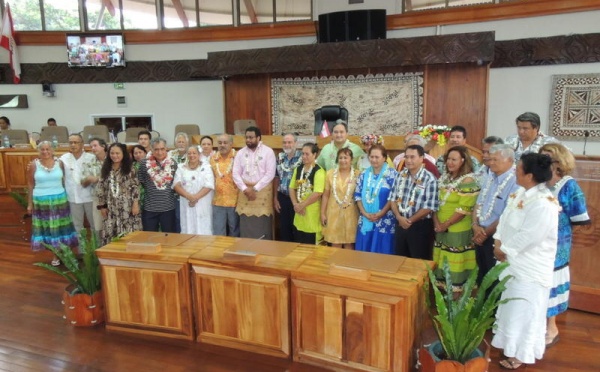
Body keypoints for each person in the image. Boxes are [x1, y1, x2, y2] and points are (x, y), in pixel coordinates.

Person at [492, 152, 560, 370]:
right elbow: (504, 218)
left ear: (529, 175)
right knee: (511, 307)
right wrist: (498, 241)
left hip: (529, 266)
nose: (515, 171)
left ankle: (521, 354)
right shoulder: (520, 192)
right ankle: (509, 346)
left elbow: (531, 236)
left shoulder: (544, 203)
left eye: (518, 168)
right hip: (510, 260)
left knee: (525, 310)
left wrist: (505, 250)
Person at [539, 143, 591, 347]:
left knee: (550, 287)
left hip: (555, 248)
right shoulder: (540, 183)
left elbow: (579, 220)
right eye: (542, 157)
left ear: (560, 161)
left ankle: (551, 328)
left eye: (549, 157)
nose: (545, 161)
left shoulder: (569, 185)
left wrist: (560, 238)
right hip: (536, 247)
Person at [432, 146, 480, 290]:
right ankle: (443, 299)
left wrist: (445, 224)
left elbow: (464, 209)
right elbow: (436, 202)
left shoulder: (468, 180)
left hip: (458, 229)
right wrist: (437, 223)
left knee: (454, 265)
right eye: (448, 159)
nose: (450, 163)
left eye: (454, 159)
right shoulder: (445, 177)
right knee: (442, 262)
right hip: (440, 227)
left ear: (463, 161)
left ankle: (457, 299)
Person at [471, 144, 519, 286]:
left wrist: (485, 233)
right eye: (490, 159)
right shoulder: (490, 176)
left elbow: (507, 214)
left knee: (494, 279)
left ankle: (493, 308)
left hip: (497, 236)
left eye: (495, 160)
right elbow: (478, 203)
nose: (490, 163)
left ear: (509, 160)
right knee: (482, 274)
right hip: (479, 233)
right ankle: (481, 306)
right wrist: (475, 226)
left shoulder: (515, 182)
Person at [26, 141, 78, 266]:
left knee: (62, 229)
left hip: (59, 200)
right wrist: (29, 204)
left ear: (53, 150)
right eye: (42, 149)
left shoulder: (60, 163)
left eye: (48, 149)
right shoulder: (33, 165)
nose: (45, 152)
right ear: (39, 151)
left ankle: (68, 254)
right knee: (49, 230)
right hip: (41, 201)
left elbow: (67, 179)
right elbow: (30, 184)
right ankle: (55, 255)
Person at [389, 144, 439, 259]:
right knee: (400, 260)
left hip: (420, 227)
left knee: (419, 261)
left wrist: (410, 221)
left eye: (412, 157)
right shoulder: (401, 175)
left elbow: (429, 206)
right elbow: (392, 199)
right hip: (400, 224)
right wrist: (399, 217)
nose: (409, 160)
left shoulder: (429, 178)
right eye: (406, 157)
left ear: (421, 158)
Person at [232, 126, 276, 239]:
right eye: (246, 137)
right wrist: (245, 189)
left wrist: (255, 189)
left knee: (261, 225)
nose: (248, 140)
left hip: (262, 192)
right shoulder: (240, 153)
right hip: (245, 192)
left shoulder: (268, 152)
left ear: (258, 138)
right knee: (246, 225)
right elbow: (235, 173)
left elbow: (270, 174)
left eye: (251, 137)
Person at [353, 144, 398, 254]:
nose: (373, 160)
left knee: (382, 254)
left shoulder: (392, 174)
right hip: (366, 218)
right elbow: (357, 196)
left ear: (384, 158)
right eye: (371, 157)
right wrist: (364, 213)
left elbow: (393, 197)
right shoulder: (363, 174)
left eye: (377, 157)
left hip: (385, 220)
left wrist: (381, 213)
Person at [97, 143, 142, 245]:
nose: (114, 155)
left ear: (123, 154)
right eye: (112, 153)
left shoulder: (130, 168)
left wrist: (135, 204)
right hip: (111, 208)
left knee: (129, 235)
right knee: (111, 234)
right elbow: (100, 188)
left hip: (128, 208)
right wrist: (102, 206)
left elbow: (135, 187)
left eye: (117, 153)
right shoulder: (105, 168)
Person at [321, 148, 360, 249]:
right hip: (333, 212)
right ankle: (334, 263)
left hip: (351, 212)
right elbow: (325, 195)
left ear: (351, 159)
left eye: (346, 158)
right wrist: (322, 213)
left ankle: (348, 264)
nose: (343, 160)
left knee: (349, 242)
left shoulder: (358, 174)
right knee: (335, 241)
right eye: (340, 158)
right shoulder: (330, 174)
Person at [60, 134, 96, 242]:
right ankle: (83, 252)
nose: (73, 145)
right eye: (70, 142)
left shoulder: (91, 158)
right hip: (73, 197)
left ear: (82, 144)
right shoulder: (64, 158)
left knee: (95, 225)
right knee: (77, 226)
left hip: (90, 197)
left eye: (76, 142)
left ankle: (97, 249)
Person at [137, 138, 178, 232]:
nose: (160, 152)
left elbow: (175, 184)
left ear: (166, 149)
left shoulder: (173, 163)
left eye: (162, 149)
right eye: (156, 149)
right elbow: (142, 182)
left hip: (168, 208)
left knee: (169, 237)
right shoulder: (144, 164)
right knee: (150, 238)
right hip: (150, 208)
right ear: (151, 149)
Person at [289, 143, 325, 244]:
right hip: (299, 215)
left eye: (307, 154)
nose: (304, 156)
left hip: (312, 216)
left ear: (314, 155)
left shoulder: (319, 171)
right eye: (302, 154)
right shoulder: (298, 169)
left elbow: (317, 193)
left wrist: (302, 205)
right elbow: (292, 188)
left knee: (313, 250)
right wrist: (296, 204)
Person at [173, 146, 215, 234]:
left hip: (203, 204)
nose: (192, 155)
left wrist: (195, 198)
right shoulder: (181, 167)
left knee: (204, 229)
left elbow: (209, 185)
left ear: (199, 155)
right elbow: (176, 185)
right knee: (187, 228)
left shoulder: (206, 167)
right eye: (189, 153)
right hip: (186, 203)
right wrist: (189, 197)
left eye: (194, 153)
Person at [273, 133, 302, 242]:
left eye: (290, 142)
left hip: (297, 198)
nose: (287, 145)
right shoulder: (280, 157)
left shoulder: (302, 157)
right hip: (283, 197)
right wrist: (275, 198)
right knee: (284, 228)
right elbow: (276, 177)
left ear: (295, 143)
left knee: (296, 228)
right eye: (284, 142)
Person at [210, 134, 240, 237]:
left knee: (235, 232)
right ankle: (218, 252)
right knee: (218, 232)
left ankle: (234, 252)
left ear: (231, 144)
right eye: (220, 143)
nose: (222, 145)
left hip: (235, 201)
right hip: (218, 201)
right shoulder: (212, 158)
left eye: (225, 143)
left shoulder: (238, 157)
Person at [81, 137, 108, 241]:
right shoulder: (89, 162)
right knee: (99, 226)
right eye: (91, 146)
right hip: (97, 197)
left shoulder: (113, 159)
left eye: (95, 145)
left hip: (114, 196)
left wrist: (97, 179)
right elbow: (83, 183)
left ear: (103, 146)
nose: (93, 148)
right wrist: (88, 179)